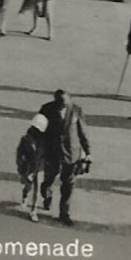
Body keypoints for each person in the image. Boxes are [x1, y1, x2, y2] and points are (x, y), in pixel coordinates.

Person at [37, 89, 91, 226]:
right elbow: (38, 130)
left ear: (70, 100)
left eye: (65, 103)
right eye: (60, 103)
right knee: (48, 180)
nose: (62, 106)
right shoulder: (46, 109)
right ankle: (47, 196)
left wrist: (88, 152)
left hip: (72, 153)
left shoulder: (76, 110)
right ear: (55, 101)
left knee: (68, 185)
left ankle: (64, 214)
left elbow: (82, 132)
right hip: (52, 152)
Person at [16, 113, 49, 220]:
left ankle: (33, 211)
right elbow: (19, 154)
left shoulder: (44, 141)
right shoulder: (26, 140)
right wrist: (22, 168)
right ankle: (25, 194)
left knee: (37, 188)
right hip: (28, 167)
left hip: (39, 167)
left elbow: (45, 154)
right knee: (28, 185)